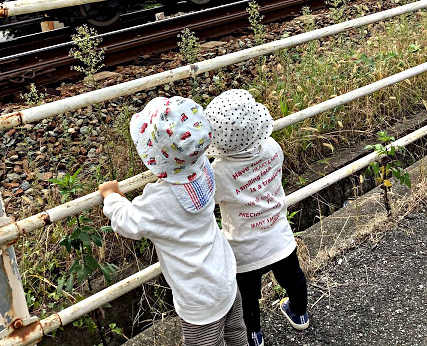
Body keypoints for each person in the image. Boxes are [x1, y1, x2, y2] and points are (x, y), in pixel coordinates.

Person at [99, 96, 248, 346]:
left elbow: (126, 221)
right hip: (226, 278)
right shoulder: (204, 168)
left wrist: (111, 196)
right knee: (236, 333)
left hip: (198, 299)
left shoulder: (159, 200)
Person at [205, 89, 309, 346]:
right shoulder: (272, 148)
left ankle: (254, 336)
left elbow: (211, 200)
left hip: (244, 250)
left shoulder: (218, 172)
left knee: (248, 298)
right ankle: (299, 313)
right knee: (293, 279)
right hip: (279, 236)